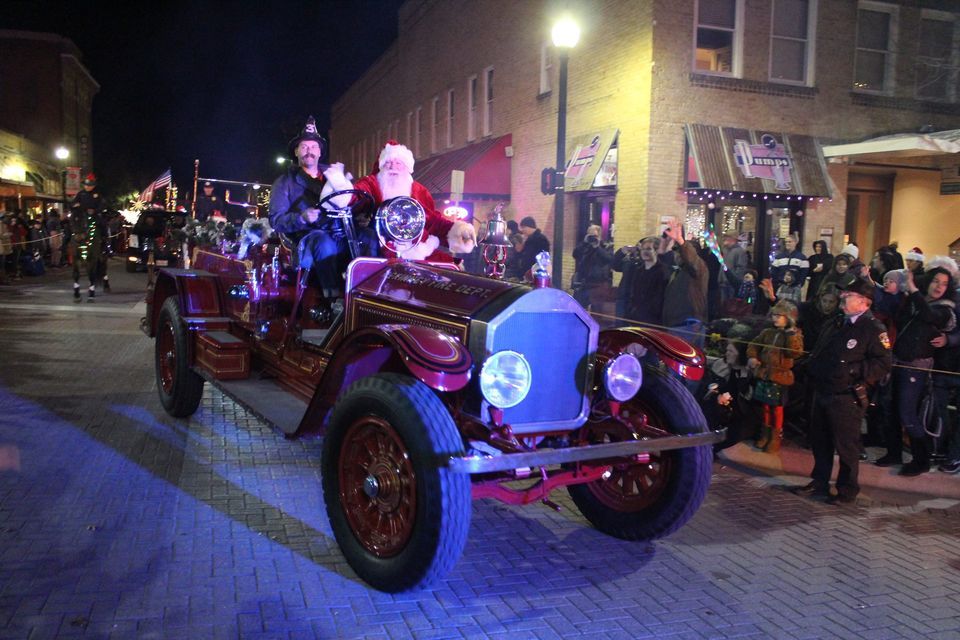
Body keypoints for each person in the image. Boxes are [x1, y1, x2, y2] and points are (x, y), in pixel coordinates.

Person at [793, 278, 892, 504]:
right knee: (820, 441)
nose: (843, 299)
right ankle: (819, 482)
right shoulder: (836, 322)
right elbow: (820, 351)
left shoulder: (873, 328)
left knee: (846, 445)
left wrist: (854, 373)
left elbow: (883, 363)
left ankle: (847, 489)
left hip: (846, 396)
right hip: (822, 390)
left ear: (864, 302)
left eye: (848, 296)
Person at [879, 267, 956, 475]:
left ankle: (921, 459)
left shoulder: (945, 309)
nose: (939, 286)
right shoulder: (917, 299)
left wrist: (913, 290)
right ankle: (893, 452)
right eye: (936, 281)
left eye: (944, 284)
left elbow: (928, 315)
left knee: (907, 412)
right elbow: (899, 319)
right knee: (891, 410)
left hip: (916, 367)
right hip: (898, 361)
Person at [268, 116, 356, 299]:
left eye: (314, 147)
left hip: (339, 232)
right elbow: (276, 220)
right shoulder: (284, 183)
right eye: (304, 147)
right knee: (323, 242)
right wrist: (301, 218)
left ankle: (366, 295)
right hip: (306, 237)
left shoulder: (334, 176)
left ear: (320, 152)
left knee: (368, 237)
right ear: (297, 152)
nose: (310, 151)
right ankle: (333, 299)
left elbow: (350, 200)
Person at [352, 141, 475, 261]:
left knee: (449, 269)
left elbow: (433, 222)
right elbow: (355, 195)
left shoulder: (418, 190)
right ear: (381, 166)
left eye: (398, 163)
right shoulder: (372, 184)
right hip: (379, 247)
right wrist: (341, 189)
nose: (393, 167)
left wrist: (457, 232)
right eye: (388, 162)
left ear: (406, 167)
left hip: (419, 249)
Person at [747, 300, 804, 454]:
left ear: (789, 318)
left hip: (780, 376)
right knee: (765, 406)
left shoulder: (794, 334)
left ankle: (775, 436)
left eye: (780, 316)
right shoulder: (767, 332)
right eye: (774, 315)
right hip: (765, 373)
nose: (775, 318)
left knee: (777, 408)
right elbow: (754, 344)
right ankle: (765, 434)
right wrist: (753, 357)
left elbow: (794, 353)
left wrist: (790, 335)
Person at [658, 216, 708, 353]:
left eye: (680, 252)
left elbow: (691, 260)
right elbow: (662, 262)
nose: (677, 255)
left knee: (680, 369)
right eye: (676, 252)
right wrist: (664, 241)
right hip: (676, 326)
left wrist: (681, 241)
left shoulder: (698, 270)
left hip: (688, 326)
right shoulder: (678, 272)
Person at [70, 173, 109, 300]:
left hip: (93, 218)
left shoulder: (98, 194)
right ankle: (66, 242)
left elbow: (103, 205)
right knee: (70, 227)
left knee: (102, 224)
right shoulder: (80, 194)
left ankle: (104, 243)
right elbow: (73, 204)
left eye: (90, 185)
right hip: (81, 217)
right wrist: (76, 207)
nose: (87, 187)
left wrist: (95, 210)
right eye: (86, 185)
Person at [571, 224, 613, 310]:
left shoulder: (605, 247)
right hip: (584, 284)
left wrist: (597, 247)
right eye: (590, 236)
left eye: (595, 236)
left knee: (596, 313)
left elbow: (608, 259)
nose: (593, 238)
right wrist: (584, 243)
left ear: (600, 236)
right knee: (578, 310)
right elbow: (575, 254)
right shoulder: (585, 247)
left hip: (598, 285)